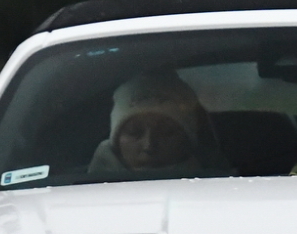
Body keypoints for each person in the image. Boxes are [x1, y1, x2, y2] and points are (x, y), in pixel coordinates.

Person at [89, 71, 227, 178]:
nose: (149, 146)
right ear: (115, 141)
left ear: (187, 140)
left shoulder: (225, 189)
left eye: (167, 133)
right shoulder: (75, 188)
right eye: (134, 132)